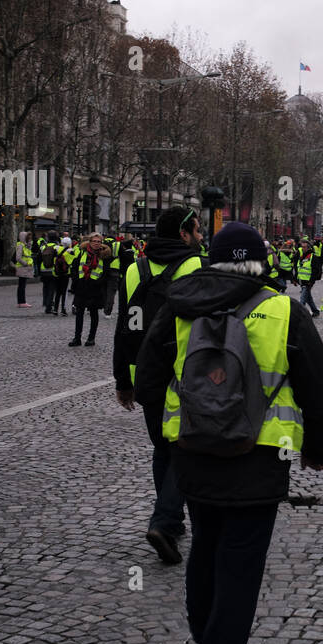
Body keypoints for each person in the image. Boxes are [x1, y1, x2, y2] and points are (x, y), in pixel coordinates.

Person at [134, 222, 323, 644]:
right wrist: (318, 450)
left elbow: (147, 380)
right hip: (259, 456)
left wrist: (165, 434)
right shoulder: (284, 309)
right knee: (240, 566)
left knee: (204, 548)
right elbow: (319, 389)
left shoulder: (180, 306)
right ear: (261, 261)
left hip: (194, 454)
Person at [114, 207, 205, 565]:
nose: (200, 236)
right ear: (183, 234)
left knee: (162, 448)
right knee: (182, 449)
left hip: (144, 376)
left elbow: (123, 328)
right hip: (182, 375)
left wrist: (123, 379)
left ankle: (172, 519)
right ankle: (165, 521)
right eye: (196, 230)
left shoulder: (134, 268)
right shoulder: (196, 266)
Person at [69, 234, 110, 347]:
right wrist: (76, 280)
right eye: (94, 241)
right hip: (82, 286)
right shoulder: (82, 253)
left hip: (95, 288)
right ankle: (77, 338)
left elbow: (106, 273)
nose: (97, 243)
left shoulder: (104, 255)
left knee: (94, 314)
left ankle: (91, 338)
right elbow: (75, 267)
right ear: (90, 242)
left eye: (99, 241)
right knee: (79, 314)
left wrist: (99, 282)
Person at [37, 232, 59, 314]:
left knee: (45, 287)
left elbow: (38, 259)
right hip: (52, 270)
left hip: (43, 270)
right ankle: (49, 306)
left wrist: (38, 271)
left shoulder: (43, 247)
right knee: (52, 289)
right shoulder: (57, 247)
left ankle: (45, 302)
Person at [295, 243, 319, 317]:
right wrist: (295, 278)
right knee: (308, 298)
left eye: (304, 247)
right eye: (302, 247)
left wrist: (311, 281)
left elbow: (316, 271)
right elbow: (299, 268)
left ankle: (300, 314)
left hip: (308, 281)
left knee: (303, 298)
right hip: (302, 280)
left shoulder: (313, 257)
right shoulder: (302, 256)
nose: (302, 248)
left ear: (309, 248)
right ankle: (315, 311)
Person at [54, 236, 75, 315]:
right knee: (64, 292)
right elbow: (72, 262)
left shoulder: (57, 248)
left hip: (57, 272)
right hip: (66, 273)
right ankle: (63, 309)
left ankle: (55, 309)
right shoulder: (70, 251)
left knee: (58, 292)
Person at [14, 231, 34, 308]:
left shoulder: (24, 245)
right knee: (22, 286)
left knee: (22, 285)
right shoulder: (21, 245)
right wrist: (25, 263)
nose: (29, 239)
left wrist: (29, 245)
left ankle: (21, 302)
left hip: (24, 267)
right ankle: (22, 302)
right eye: (28, 238)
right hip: (22, 267)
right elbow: (18, 257)